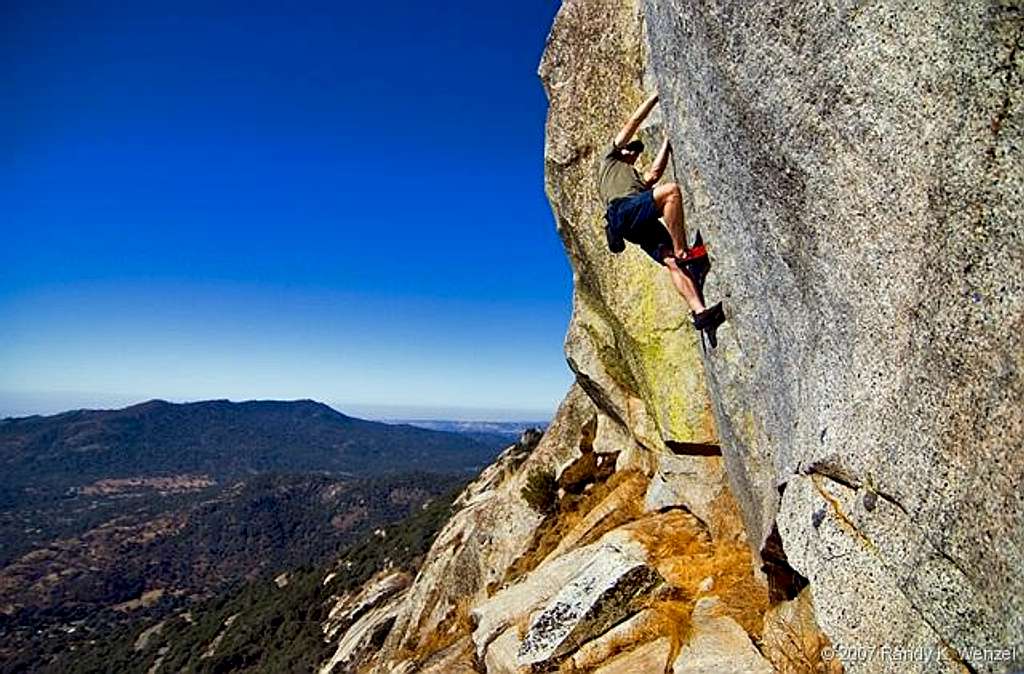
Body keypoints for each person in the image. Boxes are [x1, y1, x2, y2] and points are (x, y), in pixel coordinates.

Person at [598, 92, 725, 348]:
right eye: (631, 149)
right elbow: (633, 121)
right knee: (672, 192)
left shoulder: (635, 179)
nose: (633, 154)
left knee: (672, 263)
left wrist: (667, 142)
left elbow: (654, 173)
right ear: (621, 150)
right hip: (622, 211)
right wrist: (657, 96)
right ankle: (683, 250)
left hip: (633, 222)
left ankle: (700, 314)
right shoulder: (609, 159)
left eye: (635, 152)